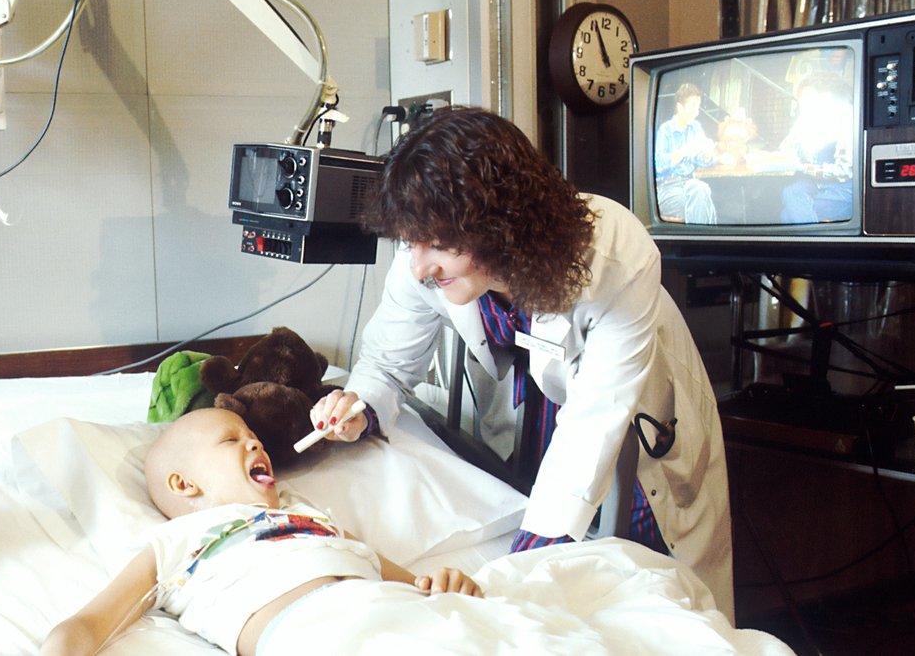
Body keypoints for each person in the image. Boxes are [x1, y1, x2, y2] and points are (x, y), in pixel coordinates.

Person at [310, 105, 735, 619]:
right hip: (546, 410)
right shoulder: (421, 260)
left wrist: (516, 574)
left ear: (499, 225)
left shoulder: (614, 256)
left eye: (437, 245)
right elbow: (386, 365)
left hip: (635, 410)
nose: (419, 265)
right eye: (410, 242)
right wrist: (358, 406)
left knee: (654, 591)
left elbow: (594, 423)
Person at [40, 408, 483, 656]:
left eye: (254, 437)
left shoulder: (310, 516)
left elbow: (408, 581)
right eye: (231, 440)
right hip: (311, 635)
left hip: (393, 611)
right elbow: (88, 624)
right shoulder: (181, 541)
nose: (255, 443)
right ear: (183, 484)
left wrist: (445, 586)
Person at [778, 73, 854, 223]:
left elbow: (843, 172)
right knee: (789, 192)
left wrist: (804, 168)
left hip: (844, 190)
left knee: (787, 215)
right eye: (801, 100)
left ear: (826, 94)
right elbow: (785, 149)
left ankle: (814, 241)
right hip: (819, 183)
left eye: (808, 97)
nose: (803, 104)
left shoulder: (846, 116)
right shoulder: (808, 118)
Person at [653, 82, 719, 224]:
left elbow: (700, 159)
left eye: (698, 107)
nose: (697, 113)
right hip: (668, 186)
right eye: (693, 107)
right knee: (700, 203)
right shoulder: (665, 131)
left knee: (701, 189)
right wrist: (684, 151)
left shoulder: (696, 127)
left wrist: (707, 155)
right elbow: (658, 165)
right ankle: (705, 239)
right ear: (679, 107)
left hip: (690, 182)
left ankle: (699, 240)